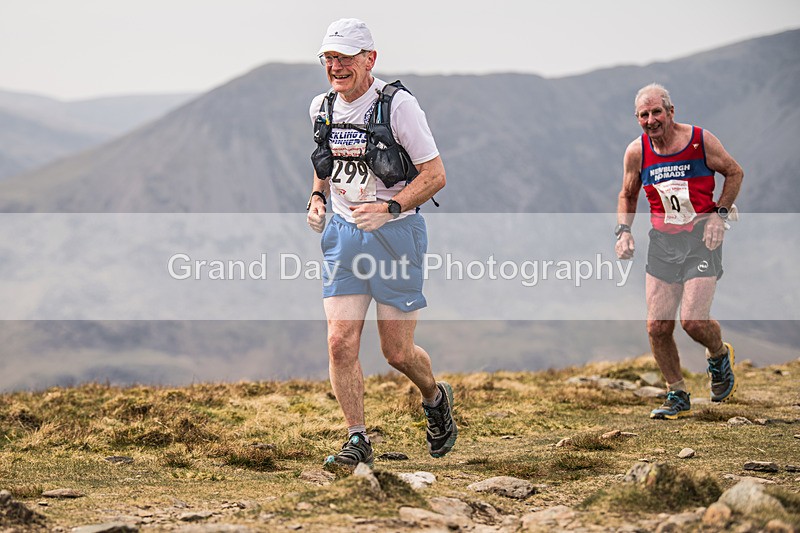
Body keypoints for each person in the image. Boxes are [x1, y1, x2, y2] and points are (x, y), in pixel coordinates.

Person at [305, 18, 455, 466]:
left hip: (396, 237)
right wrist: (317, 197)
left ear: (370, 59)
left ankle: (434, 396)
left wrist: (389, 208)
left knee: (397, 352)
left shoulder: (398, 106)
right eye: (329, 58)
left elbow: (436, 175)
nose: (336, 66)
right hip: (344, 236)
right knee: (340, 341)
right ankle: (357, 439)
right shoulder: (322, 107)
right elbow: (324, 161)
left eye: (346, 57)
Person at [615, 83, 744, 420]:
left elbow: (734, 172)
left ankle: (718, 355)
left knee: (692, 321)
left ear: (671, 112)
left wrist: (720, 214)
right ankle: (677, 394)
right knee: (657, 326)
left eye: (657, 112)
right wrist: (624, 231)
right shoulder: (637, 152)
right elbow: (627, 194)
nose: (651, 119)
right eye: (644, 114)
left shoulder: (700, 141)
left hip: (702, 237)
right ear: (637, 119)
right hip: (663, 241)